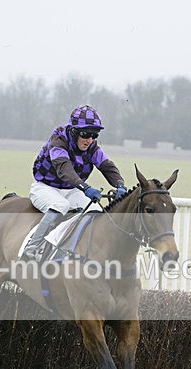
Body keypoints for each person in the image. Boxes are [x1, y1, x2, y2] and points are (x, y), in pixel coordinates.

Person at [23, 105, 128, 261]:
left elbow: (107, 166)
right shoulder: (58, 141)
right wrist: (85, 187)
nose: (89, 140)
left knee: (96, 211)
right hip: (45, 187)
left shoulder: (91, 146)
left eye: (94, 135)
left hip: (71, 189)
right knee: (61, 206)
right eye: (85, 134)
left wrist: (120, 185)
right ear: (74, 131)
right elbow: (64, 170)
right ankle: (32, 247)